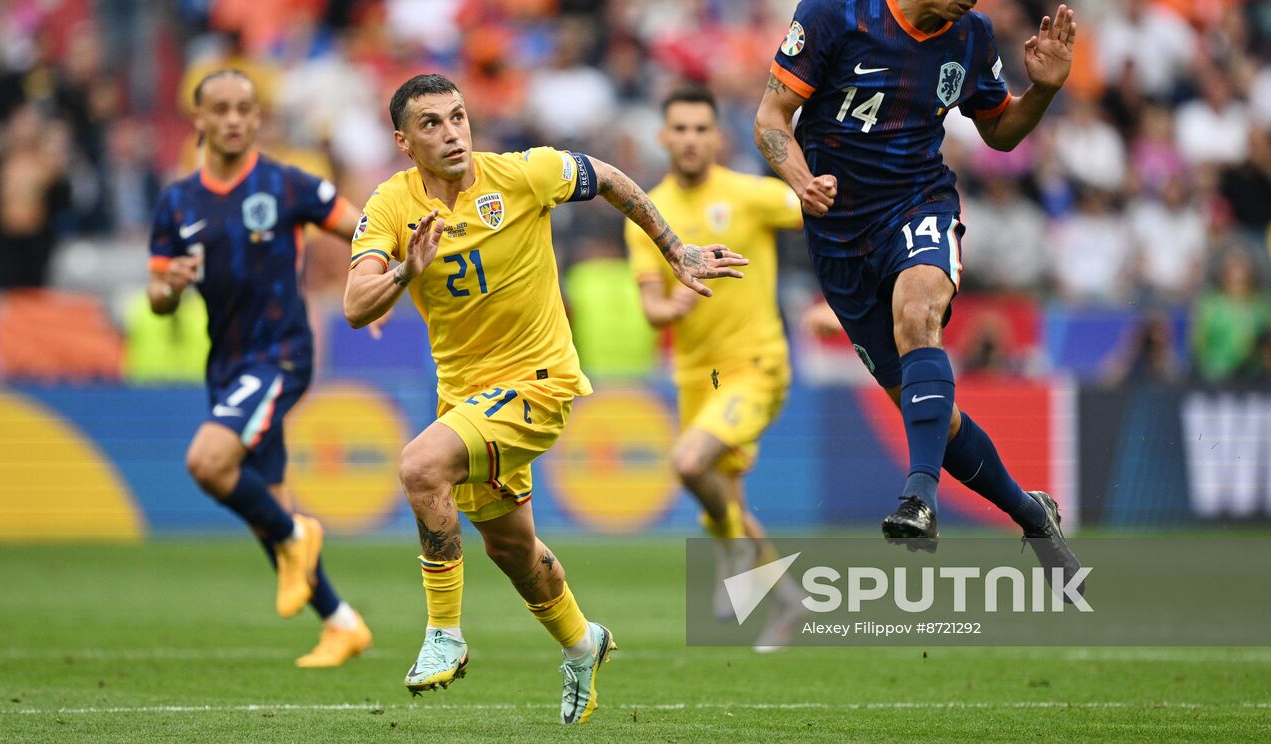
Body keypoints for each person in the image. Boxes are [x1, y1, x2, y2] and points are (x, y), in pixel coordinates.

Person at [343, 73, 746, 724]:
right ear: (402, 140)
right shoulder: (391, 205)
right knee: (512, 550)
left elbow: (610, 177)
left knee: (420, 468)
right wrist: (402, 271)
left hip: (540, 380)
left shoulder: (524, 174)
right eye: (431, 124)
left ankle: (444, 633)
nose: (451, 134)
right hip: (466, 399)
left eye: (458, 117)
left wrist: (674, 249)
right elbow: (356, 305)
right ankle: (583, 643)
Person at [752, 0, 1081, 588]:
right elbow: (771, 119)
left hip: (917, 201)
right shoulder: (835, 10)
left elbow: (997, 133)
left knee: (918, 313)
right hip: (837, 233)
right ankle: (1030, 515)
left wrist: (1043, 92)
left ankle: (916, 498)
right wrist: (801, 180)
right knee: (929, 409)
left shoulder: (972, 39)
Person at [147, 69, 373, 666]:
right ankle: (341, 622)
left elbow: (366, 230)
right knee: (266, 504)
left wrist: (377, 285)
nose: (231, 119)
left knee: (207, 461)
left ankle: (299, 534)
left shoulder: (288, 184)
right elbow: (157, 295)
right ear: (198, 120)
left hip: (281, 354)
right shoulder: (177, 202)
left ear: (256, 118)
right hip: (226, 363)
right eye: (218, 108)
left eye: (243, 108)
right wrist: (167, 288)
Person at [624, 83, 804, 646]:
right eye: (680, 129)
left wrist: (836, 303)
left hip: (755, 364)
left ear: (718, 136)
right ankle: (786, 601)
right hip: (697, 377)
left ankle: (733, 559)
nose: (691, 139)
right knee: (723, 498)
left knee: (687, 461)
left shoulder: (753, 195)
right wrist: (668, 305)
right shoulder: (646, 216)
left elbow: (827, 218)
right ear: (663, 137)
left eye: (701, 129)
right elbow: (651, 307)